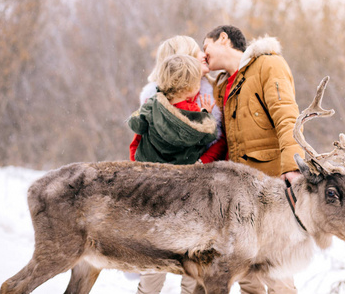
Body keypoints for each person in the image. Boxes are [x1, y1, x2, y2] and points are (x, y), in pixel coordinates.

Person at [203, 25, 305, 293]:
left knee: (276, 272)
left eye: (206, 47)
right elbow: (224, 139)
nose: (205, 55)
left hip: (271, 190)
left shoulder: (268, 65)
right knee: (246, 275)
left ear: (223, 39)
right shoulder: (224, 84)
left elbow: (287, 118)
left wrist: (293, 167)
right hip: (238, 197)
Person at [128, 54, 218, 293]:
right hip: (184, 197)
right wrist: (206, 113)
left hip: (152, 193)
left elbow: (135, 125)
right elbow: (208, 137)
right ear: (192, 87)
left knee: (154, 256)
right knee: (190, 254)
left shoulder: (152, 105)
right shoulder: (195, 116)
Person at [130, 35, 226, 164]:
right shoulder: (154, 101)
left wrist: (198, 165)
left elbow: (221, 140)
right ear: (182, 61)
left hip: (201, 176)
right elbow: (138, 143)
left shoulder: (217, 92)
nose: (204, 55)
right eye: (197, 51)